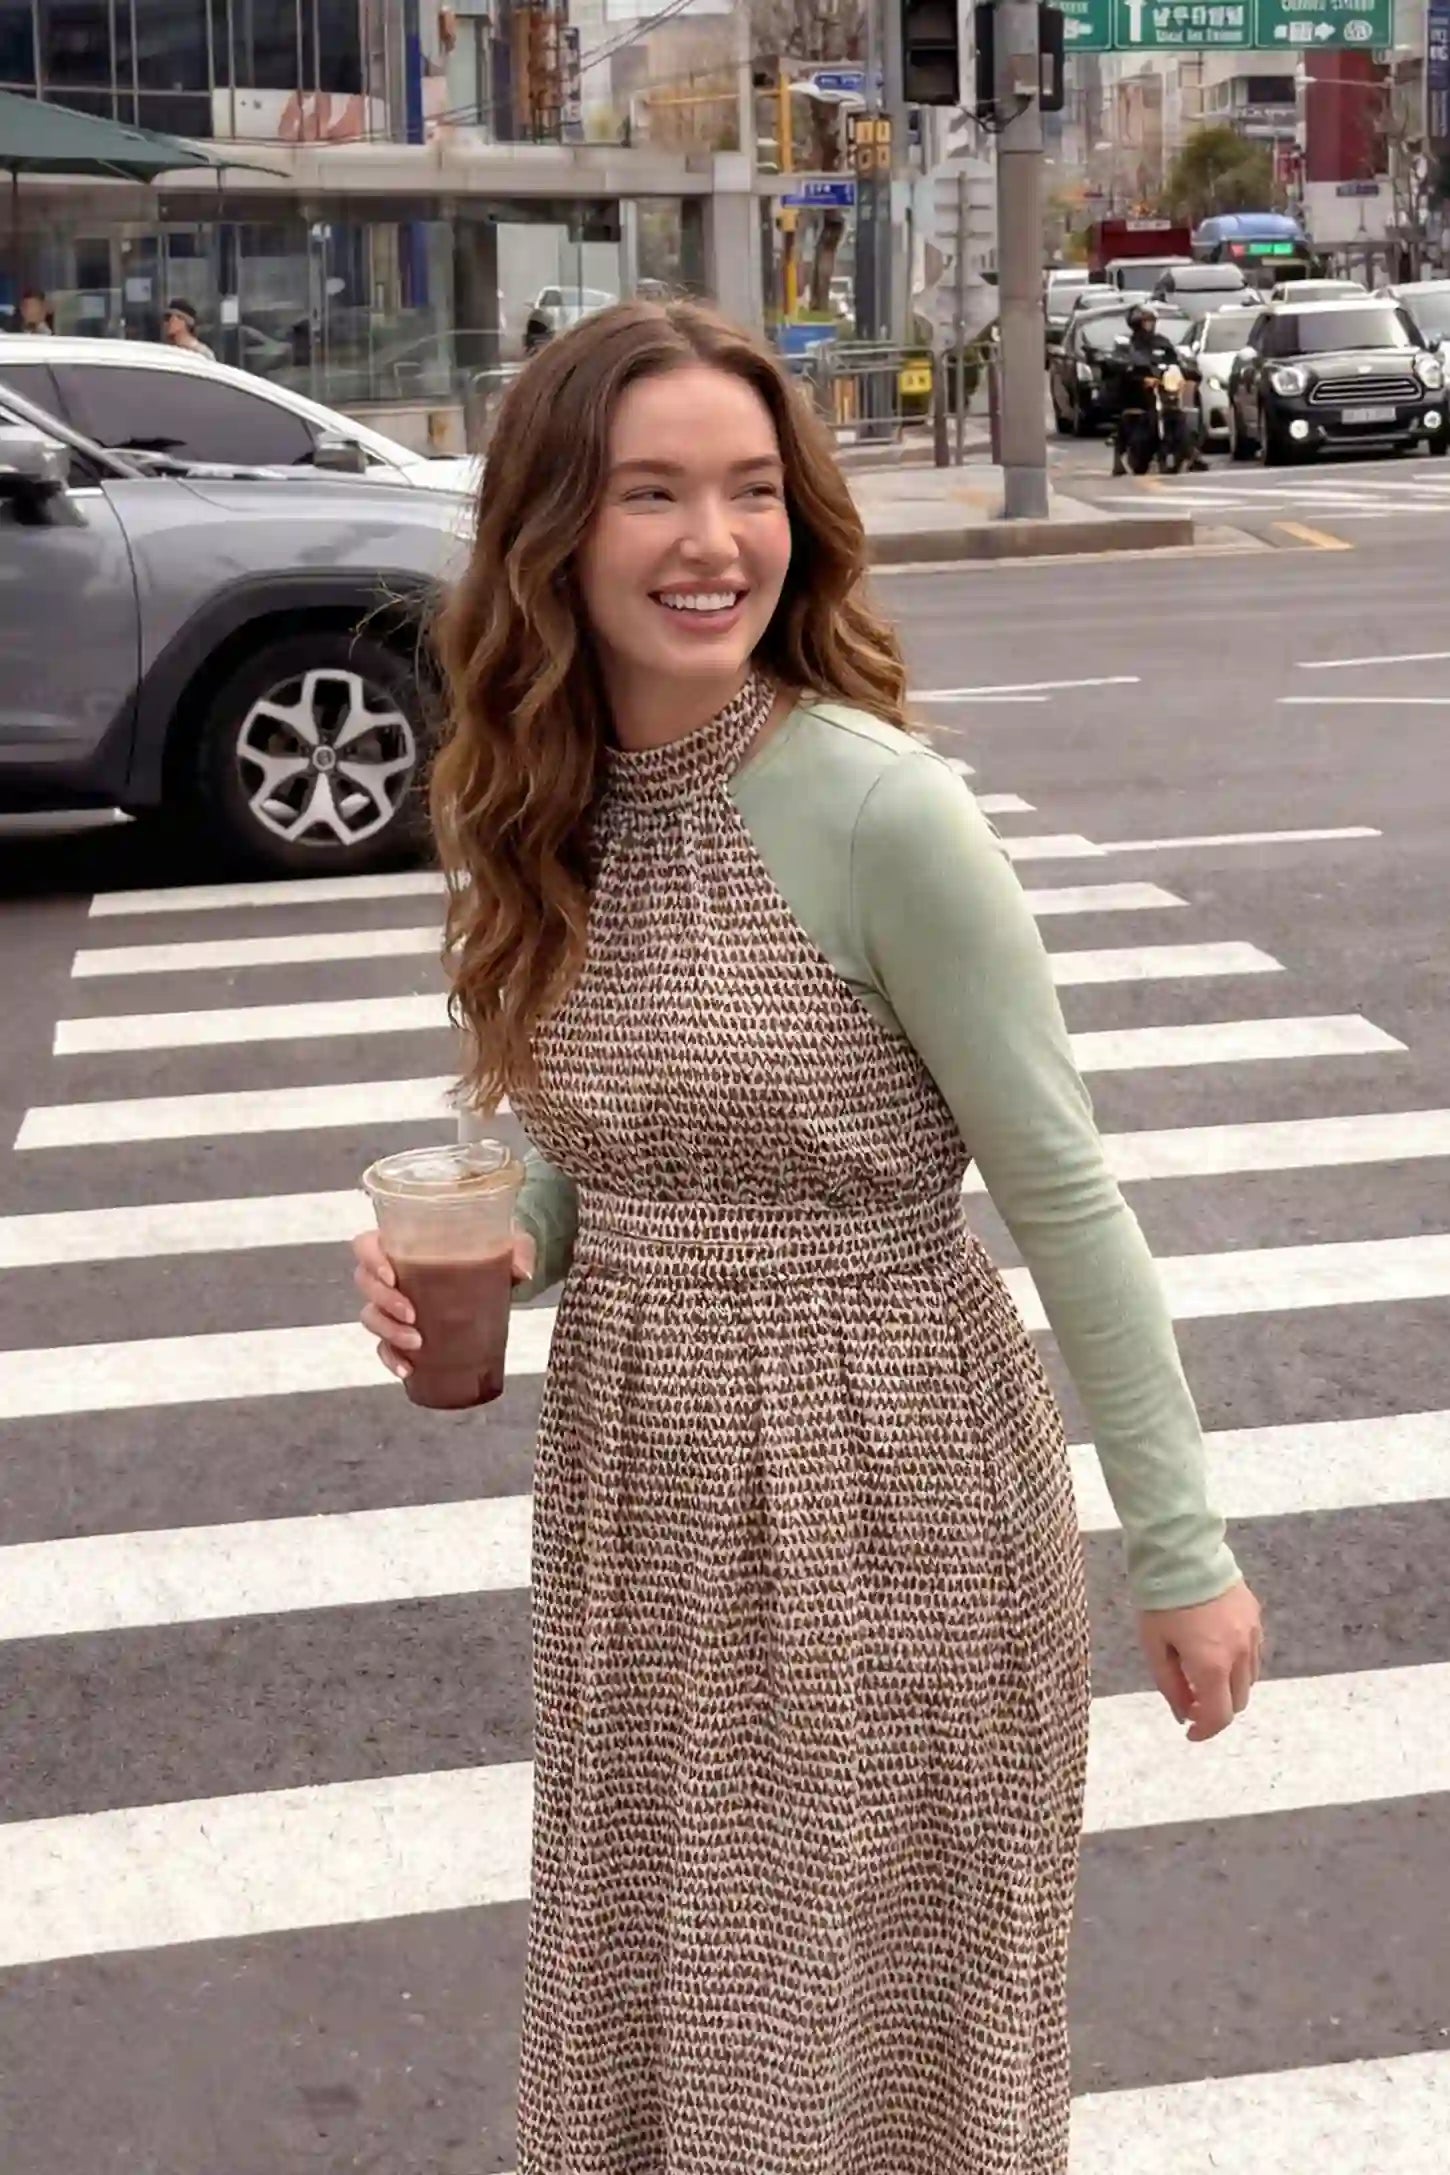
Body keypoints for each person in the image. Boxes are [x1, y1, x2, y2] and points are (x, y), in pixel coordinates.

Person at [352, 299, 1263, 2175]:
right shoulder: (543, 800)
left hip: (888, 1482)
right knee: (661, 1995)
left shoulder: (875, 806)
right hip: (644, 1500)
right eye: (652, 493)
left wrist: (1182, 1555)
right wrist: (511, 1238)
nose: (714, 542)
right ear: (552, 534)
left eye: (752, 490)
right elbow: (595, 1148)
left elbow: (1064, 1192)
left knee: (862, 2042)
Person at [1107, 302, 1208, 475]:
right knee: (1129, 413)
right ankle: (1121, 453)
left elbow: (1175, 361)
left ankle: (1191, 453)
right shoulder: (1129, 345)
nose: (1150, 325)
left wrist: (1187, 372)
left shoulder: (1162, 342)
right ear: (1136, 323)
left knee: (1179, 414)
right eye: (1146, 321)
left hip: (1163, 388)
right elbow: (1121, 363)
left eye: (1151, 321)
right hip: (1139, 394)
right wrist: (1139, 376)